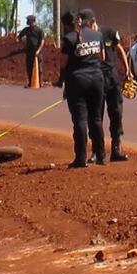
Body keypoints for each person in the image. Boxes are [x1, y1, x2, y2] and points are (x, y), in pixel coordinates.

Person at [57, 9, 106, 168]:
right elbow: (103, 57)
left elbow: (63, 64)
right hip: (97, 80)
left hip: (78, 82)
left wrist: (61, 82)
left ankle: (81, 158)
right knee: (96, 119)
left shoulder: (69, 39)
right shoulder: (97, 35)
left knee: (80, 120)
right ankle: (101, 156)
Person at [86, 13, 132, 161]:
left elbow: (119, 50)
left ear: (93, 22)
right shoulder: (85, 38)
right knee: (95, 116)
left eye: (87, 25)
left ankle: (116, 149)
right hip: (95, 78)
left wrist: (127, 70)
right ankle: (96, 151)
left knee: (116, 113)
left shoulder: (109, 32)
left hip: (112, 78)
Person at [17, 14, 44, 86]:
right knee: (29, 68)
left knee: (39, 68)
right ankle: (30, 82)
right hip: (29, 52)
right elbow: (19, 37)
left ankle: (40, 83)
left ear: (33, 21)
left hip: (38, 53)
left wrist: (38, 51)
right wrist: (24, 44)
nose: (27, 22)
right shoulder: (26, 30)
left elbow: (42, 42)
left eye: (28, 21)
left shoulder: (39, 30)